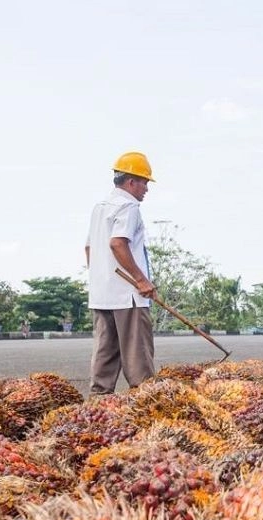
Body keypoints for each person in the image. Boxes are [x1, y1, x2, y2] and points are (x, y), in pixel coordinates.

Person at [84, 151, 158, 394]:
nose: (146, 188)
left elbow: (89, 248)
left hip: (102, 294)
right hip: (128, 297)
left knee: (105, 354)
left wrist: (99, 277)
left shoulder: (100, 207)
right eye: (145, 182)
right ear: (131, 181)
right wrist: (141, 280)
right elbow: (118, 243)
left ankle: (99, 404)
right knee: (138, 358)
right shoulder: (129, 206)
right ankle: (146, 404)